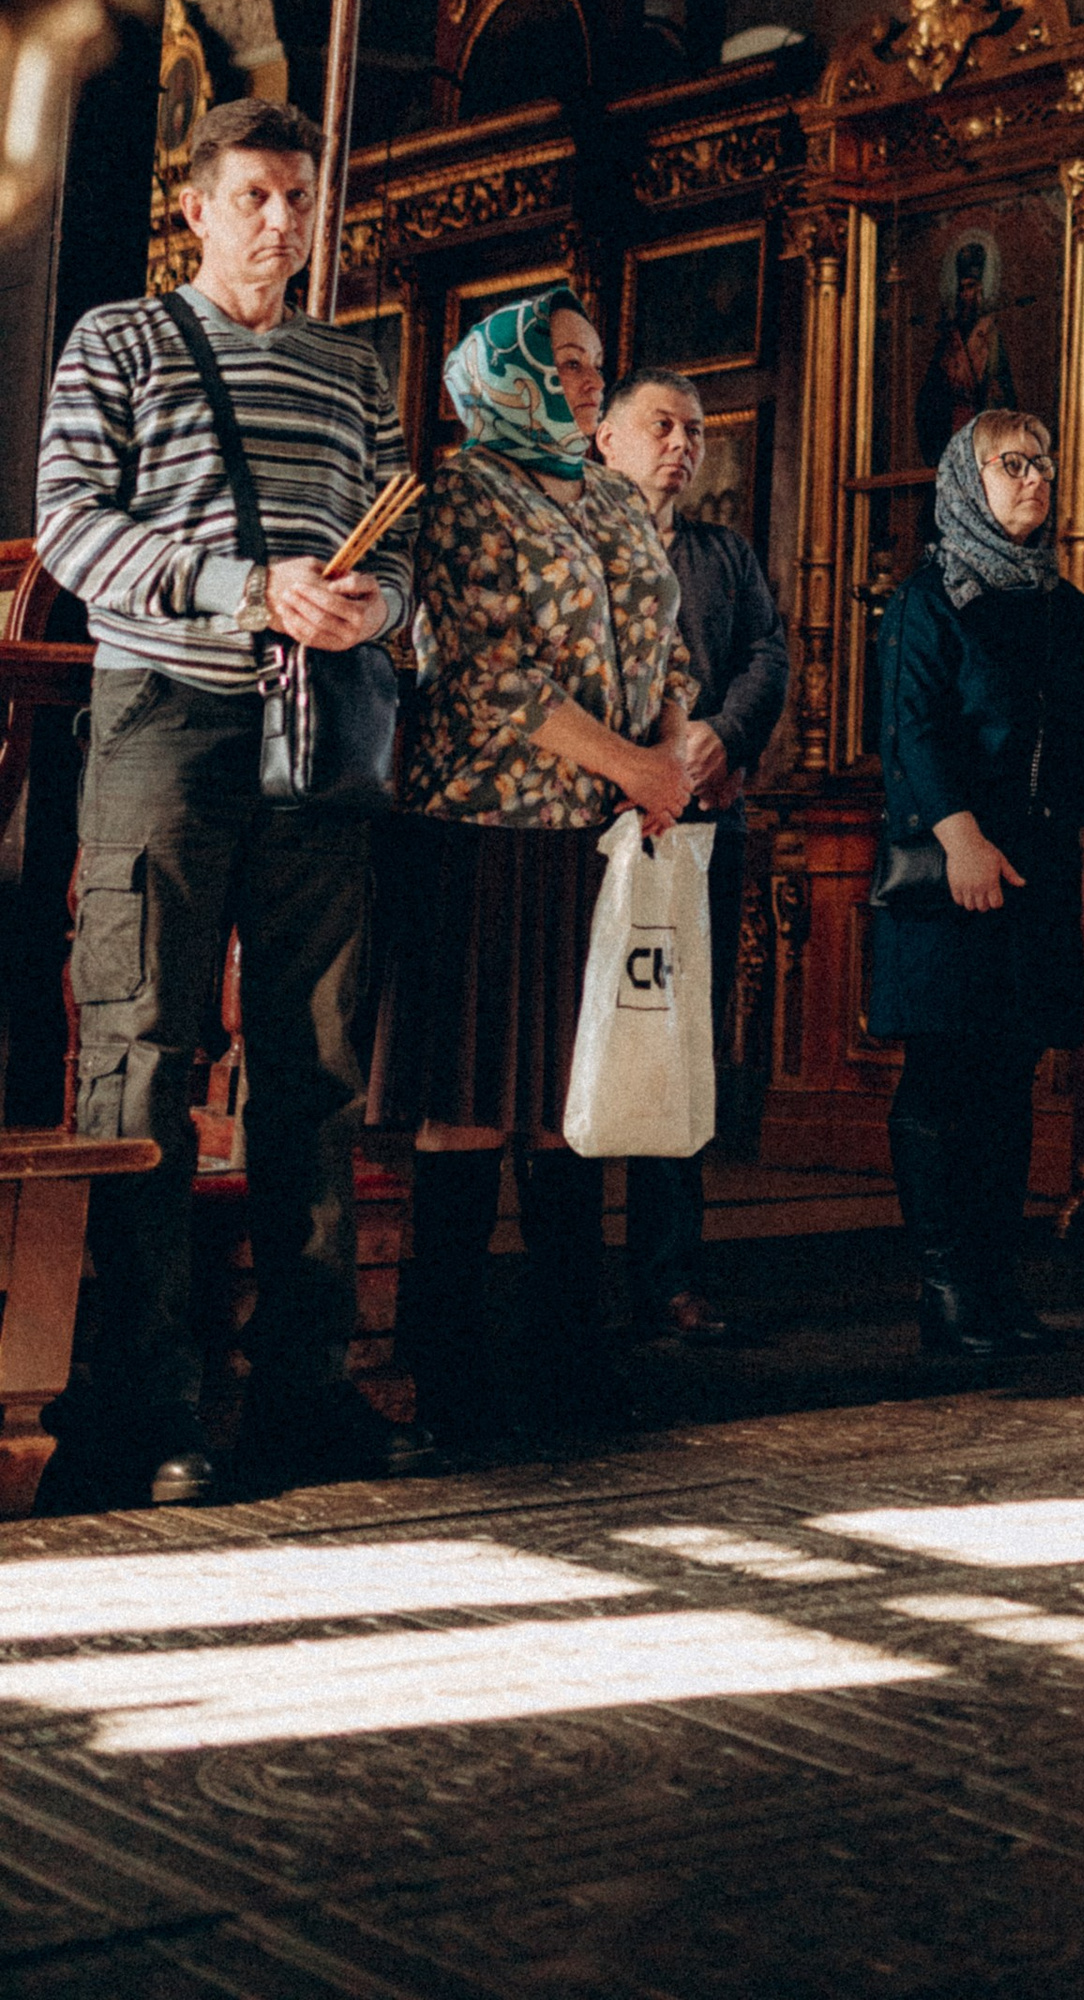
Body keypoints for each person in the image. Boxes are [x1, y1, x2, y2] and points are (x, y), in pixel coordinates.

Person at [35, 95, 427, 1505]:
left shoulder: (351, 366)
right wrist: (245, 586)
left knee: (316, 1070)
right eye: (255, 196)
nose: (282, 223)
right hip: (167, 718)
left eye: (300, 200)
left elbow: (409, 539)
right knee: (139, 1051)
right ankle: (139, 1401)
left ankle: (303, 1390)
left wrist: (380, 604)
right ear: (194, 207)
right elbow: (75, 526)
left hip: (318, 730)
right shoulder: (120, 340)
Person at [374, 291, 694, 1447]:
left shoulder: (611, 491)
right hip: (483, 833)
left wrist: (672, 748)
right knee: (466, 1111)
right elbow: (483, 679)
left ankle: (571, 1371)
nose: (583, 382)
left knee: (576, 1108)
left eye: (594, 364)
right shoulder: (462, 492)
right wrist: (634, 767)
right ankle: (445, 1381)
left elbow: (670, 643)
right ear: (503, 370)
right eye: (561, 363)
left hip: (599, 841)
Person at [871, 410, 1084, 1360]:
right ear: (965, 483)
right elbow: (912, 731)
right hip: (951, 868)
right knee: (943, 1075)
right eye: (1010, 464)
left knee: (1012, 1080)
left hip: (1044, 865)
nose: (1033, 478)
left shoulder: (1066, 607)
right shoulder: (923, 601)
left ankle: (998, 1285)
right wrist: (961, 835)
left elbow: (1082, 741)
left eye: (1043, 462)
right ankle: (943, 1291)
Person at [593, 366, 791, 1344]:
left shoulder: (725, 554)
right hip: (599, 827)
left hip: (708, 825)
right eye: (662, 425)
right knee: (594, 1031)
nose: (682, 444)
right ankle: (572, 1272)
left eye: (696, 430)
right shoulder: (577, 545)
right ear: (606, 440)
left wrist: (721, 734)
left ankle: (668, 1275)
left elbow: (770, 653)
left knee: (681, 1047)